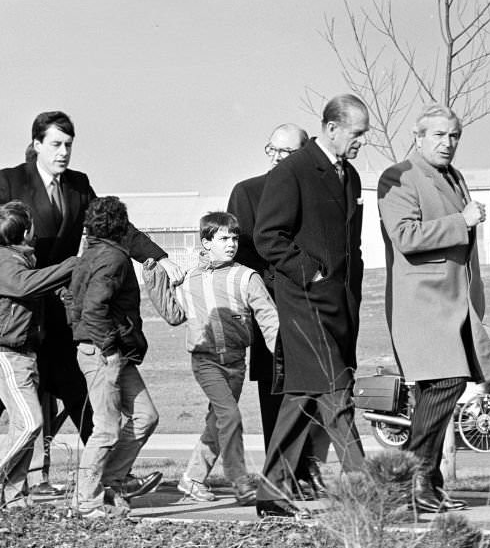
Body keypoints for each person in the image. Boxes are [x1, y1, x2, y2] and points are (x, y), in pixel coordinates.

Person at [0, 111, 180, 507]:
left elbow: (114, 228)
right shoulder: (9, 181)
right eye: (56, 144)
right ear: (37, 144)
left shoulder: (78, 185)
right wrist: (14, 263)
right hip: (12, 311)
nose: (64, 152)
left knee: (80, 394)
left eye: (69, 145)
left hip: (58, 309)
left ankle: (105, 480)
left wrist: (156, 258)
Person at [377, 104, 490, 513]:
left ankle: (423, 485)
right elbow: (405, 236)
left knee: (441, 390)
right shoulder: (399, 177)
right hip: (422, 305)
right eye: (438, 135)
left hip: (455, 304)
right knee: (444, 385)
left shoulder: (455, 176)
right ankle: (409, 481)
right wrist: (462, 221)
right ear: (418, 136)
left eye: (453, 136)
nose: (447, 143)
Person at [252, 94, 369, 518]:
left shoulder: (351, 176)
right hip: (303, 303)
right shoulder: (293, 171)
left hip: (338, 305)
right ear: (332, 128)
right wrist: (313, 274)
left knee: (302, 398)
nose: (360, 143)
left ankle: (269, 493)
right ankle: (367, 493)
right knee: (337, 392)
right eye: (356, 134)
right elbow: (268, 237)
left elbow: (351, 247)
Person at [145, 211, 279, 506]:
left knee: (218, 421)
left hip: (235, 362)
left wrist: (280, 354)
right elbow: (173, 315)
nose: (231, 244)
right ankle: (241, 483)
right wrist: (155, 280)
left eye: (234, 238)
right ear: (205, 243)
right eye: (223, 238)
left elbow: (269, 319)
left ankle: (192, 479)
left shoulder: (247, 277)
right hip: (205, 361)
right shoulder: (189, 279)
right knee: (229, 416)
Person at [228, 124, 329, 498]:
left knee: (318, 391)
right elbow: (242, 255)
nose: (278, 158)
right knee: (276, 392)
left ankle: (307, 470)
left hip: (313, 304)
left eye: (288, 153)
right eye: (274, 150)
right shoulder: (248, 192)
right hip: (270, 307)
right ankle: (280, 477)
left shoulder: (316, 194)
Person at [0, 201, 79, 509]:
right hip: (4, 354)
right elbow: (22, 286)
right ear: (28, 230)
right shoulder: (4, 260)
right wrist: (70, 266)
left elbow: (36, 285)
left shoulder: (22, 258)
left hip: (22, 354)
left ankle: (16, 498)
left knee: (24, 427)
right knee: (31, 423)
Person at [67, 197, 160, 519]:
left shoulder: (90, 255)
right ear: (121, 225)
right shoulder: (112, 259)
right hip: (103, 353)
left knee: (146, 416)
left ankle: (111, 480)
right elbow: (93, 310)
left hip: (110, 351)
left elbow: (72, 301)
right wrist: (109, 350)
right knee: (106, 428)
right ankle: (87, 502)